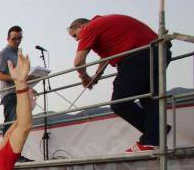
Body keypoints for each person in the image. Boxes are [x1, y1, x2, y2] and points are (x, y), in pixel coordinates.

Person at [68, 15, 168, 151]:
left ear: (81, 27)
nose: (77, 40)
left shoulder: (90, 28)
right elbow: (106, 56)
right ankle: (153, 138)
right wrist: (96, 76)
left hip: (139, 55)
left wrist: (84, 77)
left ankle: (156, 133)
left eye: (75, 36)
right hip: (160, 50)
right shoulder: (105, 25)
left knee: (120, 102)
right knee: (149, 98)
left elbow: (78, 62)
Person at [0, 26, 23, 131]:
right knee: (11, 125)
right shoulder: (4, 53)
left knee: (18, 125)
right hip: (10, 94)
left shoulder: (18, 54)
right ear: (7, 39)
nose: (17, 41)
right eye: (14, 39)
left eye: (19, 38)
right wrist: (17, 78)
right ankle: (7, 147)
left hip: (18, 92)